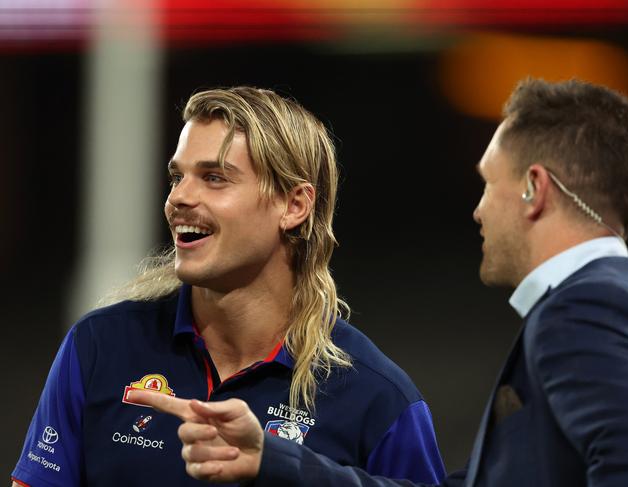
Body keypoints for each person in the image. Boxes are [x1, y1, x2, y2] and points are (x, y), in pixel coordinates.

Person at [131, 77, 628, 487]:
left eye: (490, 184)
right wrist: (274, 461)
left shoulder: (586, 306)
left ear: (534, 190)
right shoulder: (598, 301)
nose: (478, 210)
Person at [11, 87, 446, 486]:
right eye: (177, 176)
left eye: (214, 177)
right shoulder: (98, 347)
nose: (180, 197)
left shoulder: (379, 398)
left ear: (294, 205)